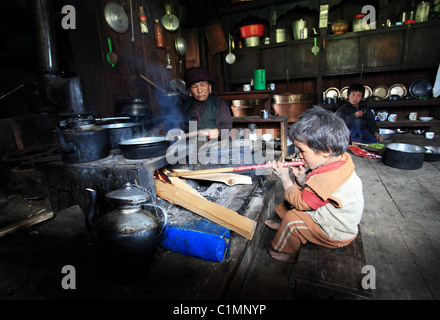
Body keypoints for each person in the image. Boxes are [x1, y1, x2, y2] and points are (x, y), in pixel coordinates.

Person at [266, 106, 364, 263]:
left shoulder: (329, 178)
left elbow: (302, 202)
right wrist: (302, 179)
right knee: (294, 192)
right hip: (329, 213)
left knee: (292, 219)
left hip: (336, 230)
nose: (299, 155)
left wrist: (285, 178)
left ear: (326, 150)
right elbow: (319, 192)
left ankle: (289, 252)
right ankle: (282, 226)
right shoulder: (337, 159)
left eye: (303, 151)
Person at [182, 66, 233, 139]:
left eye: (202, 85)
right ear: (190, 90)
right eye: (194, 87)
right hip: (192, 147)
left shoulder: (219, 104)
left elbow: (227, 130)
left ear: (209, 87)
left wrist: (214, 132)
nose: (199, 91)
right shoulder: (185, 106)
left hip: (217, 147)